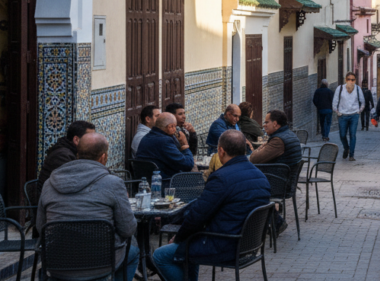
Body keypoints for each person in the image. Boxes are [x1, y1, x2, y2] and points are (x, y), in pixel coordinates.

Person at [152, 130, 271, 281]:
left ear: (221, 151)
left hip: (223, 244)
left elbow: (198, 216)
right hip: (249, 245)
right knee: (187, 245)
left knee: (160, 256)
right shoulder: (261, 177)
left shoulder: (221, 178)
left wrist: (179, 238)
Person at [37, 133, 139, 281]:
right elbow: (128, 229)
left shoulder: (49, 183)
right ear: (103, 157)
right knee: (134, 249)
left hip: (57, 264)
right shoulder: (113, 183)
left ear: (78, 155)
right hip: (102, 263)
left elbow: (41, 227)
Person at [135, 113, 195, 182]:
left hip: (145, 181)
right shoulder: (165, 141)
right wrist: (185, 146)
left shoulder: (146, 137)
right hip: (165, 182)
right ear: (170, 127)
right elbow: (187, 165)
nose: (176, 130)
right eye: (175, 127)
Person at [37, 120, 95, 190]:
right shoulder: (61, 156)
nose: (93, 142)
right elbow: (73, 183)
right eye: (90, 139)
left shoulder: (76, 151)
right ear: (76, 140)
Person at [333, 72, 366, 161]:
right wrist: (337, 112)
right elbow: (335, 102)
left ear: (355, 81)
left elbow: (362, 102)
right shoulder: (340, 88)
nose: (350, 81)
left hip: (354, 115)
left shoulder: (358, 89)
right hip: (342, 116)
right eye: (349, 79)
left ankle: (351, 155)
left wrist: (359, 111)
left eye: (352, 80)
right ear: (346, 80)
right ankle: (346, 148)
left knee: (353, 135)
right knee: (342, 135)